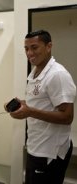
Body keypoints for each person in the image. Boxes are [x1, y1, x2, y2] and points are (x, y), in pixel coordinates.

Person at [5, 30, 76, 184]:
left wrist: (29, 111)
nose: (29, 53)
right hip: (36, 146)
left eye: (34, 47)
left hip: (50, 152)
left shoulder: (57, 75)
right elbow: (41, 102)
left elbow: (67, 116)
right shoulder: (35, 72)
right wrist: (23, 105)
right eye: (26, 48)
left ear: (49, 46)